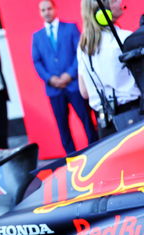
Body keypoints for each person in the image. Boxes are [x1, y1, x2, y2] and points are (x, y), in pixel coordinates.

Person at [32, 0, 98, 154]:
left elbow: (79, 53)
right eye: (43, 10)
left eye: (49, 8)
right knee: (63, 126)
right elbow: (37, 62)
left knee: (87, 121)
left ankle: (95, 151)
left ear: (55, 9)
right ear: (40, 13)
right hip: (54, 90)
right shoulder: (37, 36)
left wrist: (69, 74)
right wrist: (50, 79)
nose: (46, 12)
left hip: (74, 85)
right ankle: (71, 158)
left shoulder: (70, 28)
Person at [77, 0, 141, 138]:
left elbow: (84, 92)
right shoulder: (126, 38)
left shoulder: (83, 47)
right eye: (114, 0)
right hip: (134, 117)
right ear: (103, 12)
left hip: (105, 126)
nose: (120, 2)